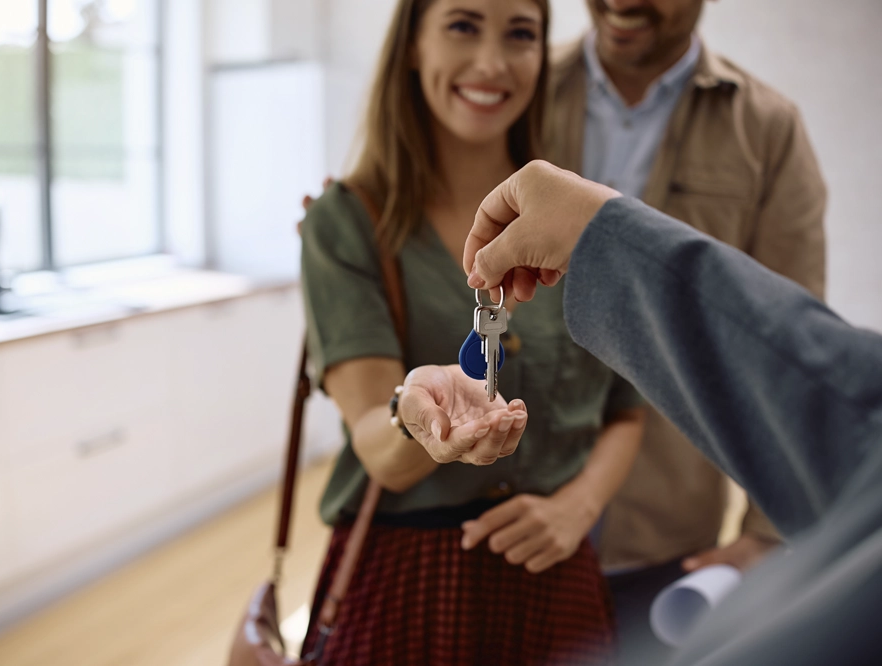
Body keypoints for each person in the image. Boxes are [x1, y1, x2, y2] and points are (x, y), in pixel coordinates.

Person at [396, 159, 882, 666]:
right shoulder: (371, 213)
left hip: (654, 540)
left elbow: (829, 389)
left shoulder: (764, 132)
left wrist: (763, 535)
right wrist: (402, 411)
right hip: (452, 568)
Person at [298, 1, 647, 663]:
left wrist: (578, 507)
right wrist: (414, 417)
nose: (491, 63)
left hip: (557, 577)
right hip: (408, 587)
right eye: (462, 25)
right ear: (413, 46)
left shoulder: (586, 220)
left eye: (520, 34)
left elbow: (626, 412)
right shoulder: (346, 222)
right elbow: (378, 449)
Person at [544, 2, 827, 661]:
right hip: (510, 512)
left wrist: (766, 532)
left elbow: (789, 340)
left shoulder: (767, 128)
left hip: (665, 537)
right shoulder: (521, 87)